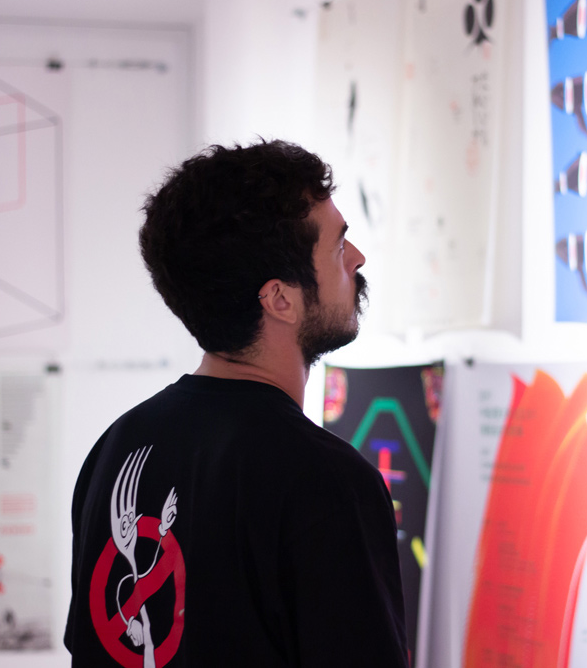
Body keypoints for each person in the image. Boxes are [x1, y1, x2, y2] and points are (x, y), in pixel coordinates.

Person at [64, 140, 409, 667]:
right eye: (338, 245)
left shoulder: (115, 449)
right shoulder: (328, 483)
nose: (357, 257)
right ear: (280, 299)